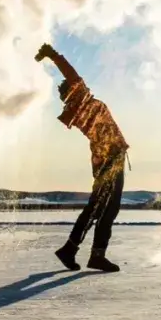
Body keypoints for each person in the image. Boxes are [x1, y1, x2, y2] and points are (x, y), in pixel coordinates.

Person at [36, 43, 129, 273]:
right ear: (74, 89)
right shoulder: (83, 99)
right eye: (75, 83)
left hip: (105, 159)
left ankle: (76, 250)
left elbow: (70, 76)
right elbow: (69, 71)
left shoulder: (76, 111)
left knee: (100, 208)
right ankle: (88, 253)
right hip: (110, 159)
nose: (80, 83)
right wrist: (52, 54)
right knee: (104, 208)